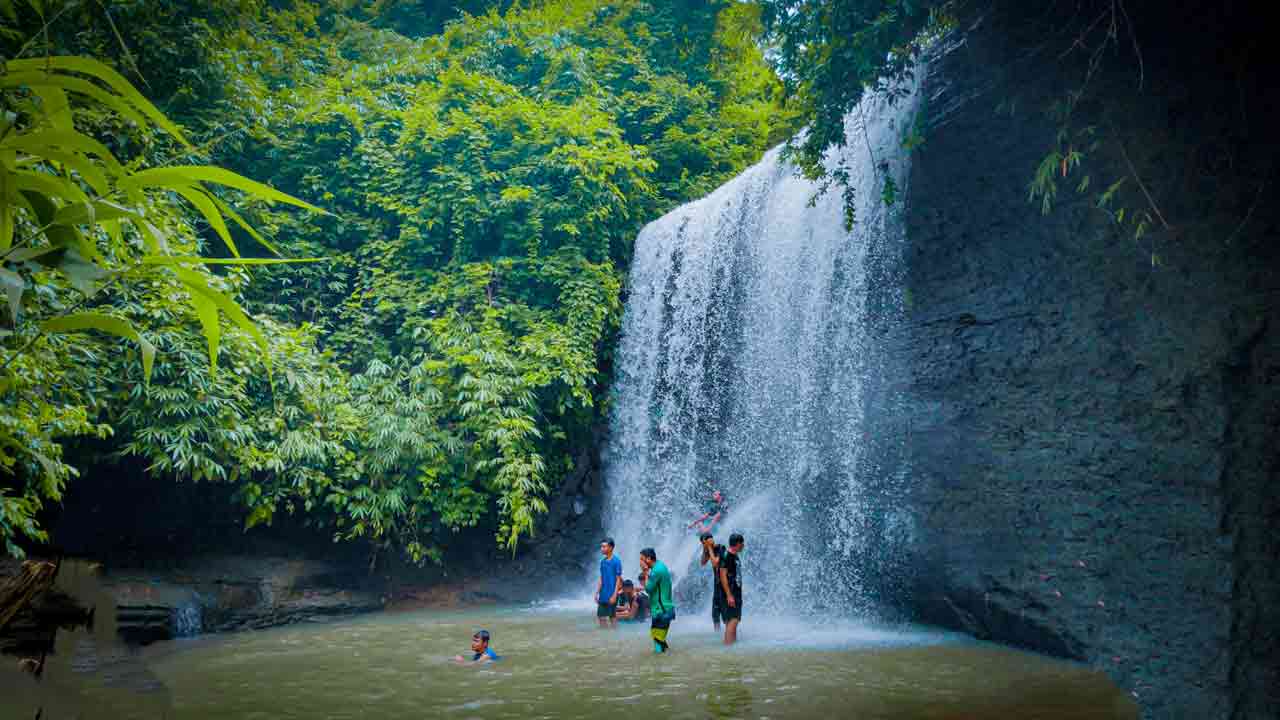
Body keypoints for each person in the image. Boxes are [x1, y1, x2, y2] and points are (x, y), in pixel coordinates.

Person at [639, 547, 675, 653]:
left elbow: (649, 589)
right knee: (659, 639)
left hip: (662, 611)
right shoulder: (660, 566)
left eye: (642, 559)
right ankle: (667, 661)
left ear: (649, 559)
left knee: (657, 640)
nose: (640, 562)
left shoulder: (656, 571)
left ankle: (659, 666)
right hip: (664, 609)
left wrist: (645, 572)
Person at [718, 533, 745, 645]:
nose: (743, 545)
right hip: (730, 594)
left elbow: (735, 575)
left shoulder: (735, 556)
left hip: (735, 592)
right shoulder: (727, 556)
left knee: (733, 620)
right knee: (733, 620)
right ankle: (727, 647)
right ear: (738, 544)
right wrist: (729, 595)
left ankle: (731, 646)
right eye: (742, 543)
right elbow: (722, 575)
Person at [698, 531, 727, 631]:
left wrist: (709, 547)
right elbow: (702, 562)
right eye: (702, 544)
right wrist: (705, 549)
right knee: (715, 611)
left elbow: (715, 563)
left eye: (704, 543)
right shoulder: (708, 550)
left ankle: (729, 633)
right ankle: (717, 633)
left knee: (725, 610)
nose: (704, 545)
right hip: (717, 583)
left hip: (725, 583)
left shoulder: (721, 548)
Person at [595, 537, 623, 628]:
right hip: (603, 593)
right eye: (601, 547)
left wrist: (615, 595)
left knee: (612, 617)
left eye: (604, 547)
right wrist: (596, 592)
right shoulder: (603, 562)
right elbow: (601, 578)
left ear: (611, 548)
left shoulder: (616, 561)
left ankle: (615, 635)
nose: (602, 549)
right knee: (600, 616)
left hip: (612, 593)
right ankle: (605, 635)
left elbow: (618, 579)